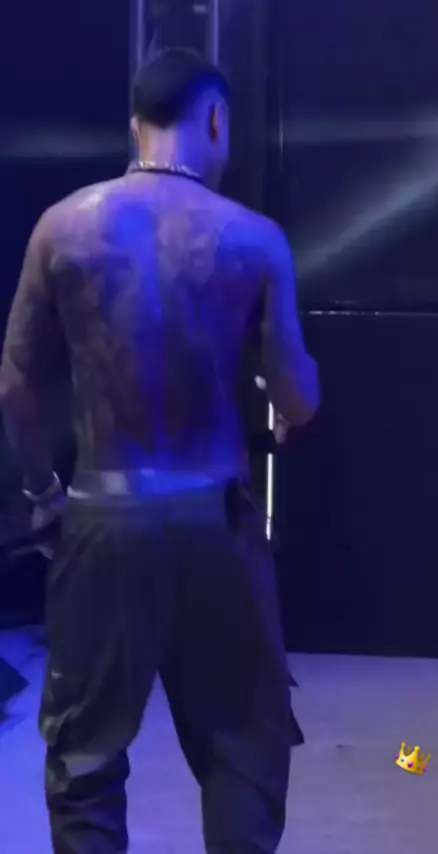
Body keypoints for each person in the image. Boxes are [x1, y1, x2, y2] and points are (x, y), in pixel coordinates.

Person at [0, 48, 319, 854]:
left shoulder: (62, 226)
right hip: (215, 519)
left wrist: (42, 493)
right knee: (242, 743)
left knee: (85, 755)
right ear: (214, 120)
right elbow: (298, 398)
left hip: (103, 515)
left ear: (134, 124)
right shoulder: (255, 239)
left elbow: (14, 386)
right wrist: (287, 395)